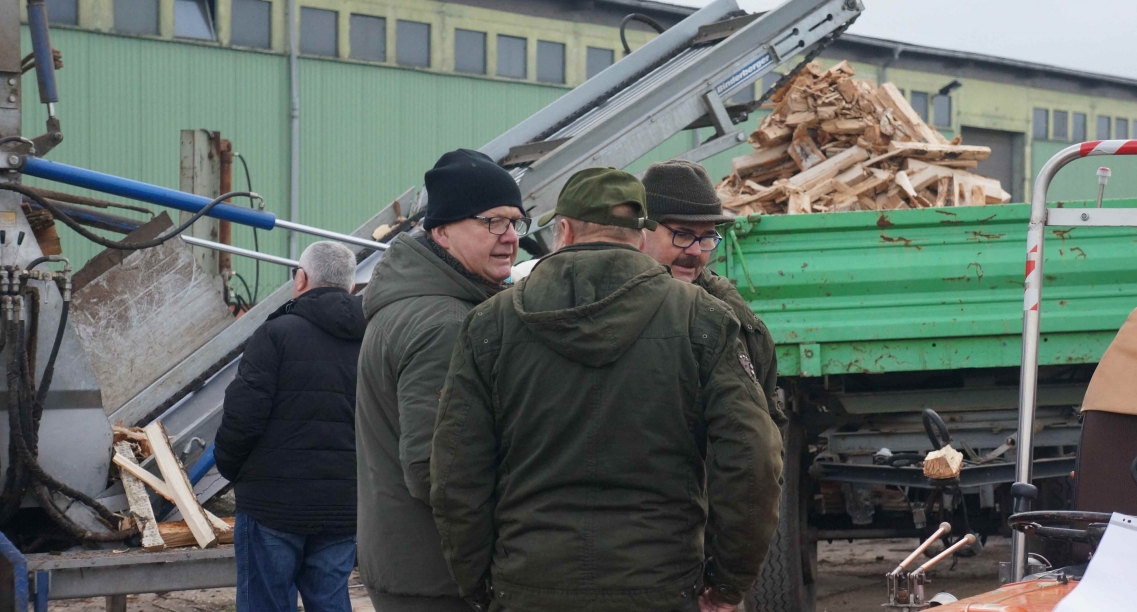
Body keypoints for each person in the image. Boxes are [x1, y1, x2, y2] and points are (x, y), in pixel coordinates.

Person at [430, 167, 783, 612]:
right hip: (661, 584)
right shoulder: (702, 319)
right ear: (640, 236)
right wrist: (727, 583)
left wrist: (478, 582)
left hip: (529, 582)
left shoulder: (489, 324)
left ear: (563, 231)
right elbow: (754, 459)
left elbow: (456, 473)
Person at [357, 149, 528, 612]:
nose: (510, 237)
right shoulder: (445, 324)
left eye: (515, 222)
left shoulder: (417, 303)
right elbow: (436, 469)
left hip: (413, 563)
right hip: (440, 577)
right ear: (442, 231)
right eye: (492, 222)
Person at [215, 240, 366, 612]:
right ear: (351, 285)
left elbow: (243, 414)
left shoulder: (276, 333)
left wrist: (231, 468)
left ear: (301, 279)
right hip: (343, 505)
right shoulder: (372, 337)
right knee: (331, 601)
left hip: (272, 504)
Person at [641, 159, 787, 431]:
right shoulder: (611, 306)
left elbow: (764, 423)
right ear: (642, 232)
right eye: (683, 235)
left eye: (707, 237)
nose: (696, 251)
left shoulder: (734, 317)